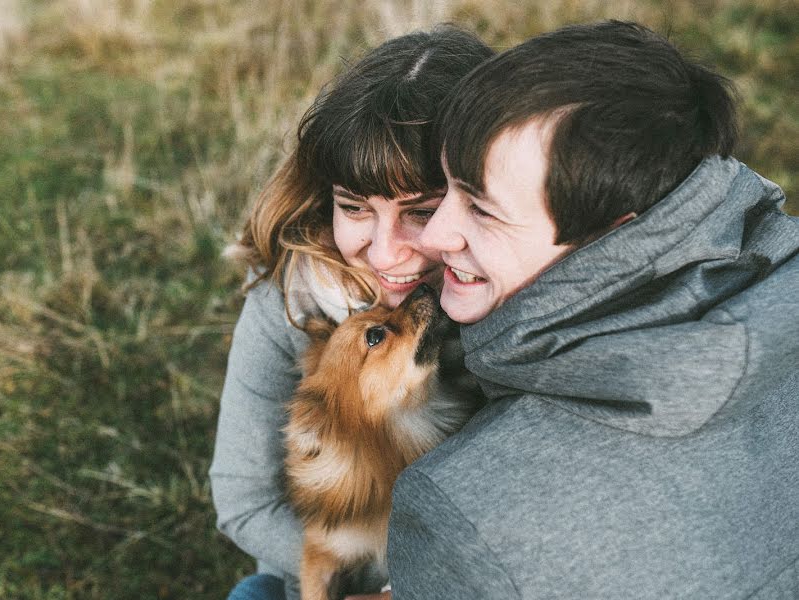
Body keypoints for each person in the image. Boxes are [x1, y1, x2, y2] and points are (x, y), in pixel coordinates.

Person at [385, 21, 799, 599]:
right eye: (446, 189)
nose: (435, 235)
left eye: (481, 209)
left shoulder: (464, 516)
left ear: (608, 234)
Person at [209, 26, 495, 600]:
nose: (386, 253)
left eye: (423, 211)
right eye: (354, 207)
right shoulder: (288, 301)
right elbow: (244, 500)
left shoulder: (538, 300)